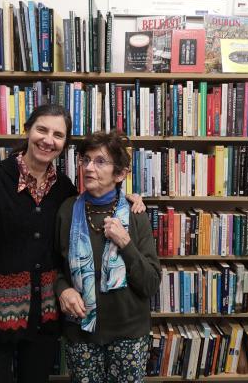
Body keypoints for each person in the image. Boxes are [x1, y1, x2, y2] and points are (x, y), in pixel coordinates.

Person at [0, 105, 144, 383]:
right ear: (28, 130)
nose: (48, 140)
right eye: (42, 129)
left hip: (44, 322)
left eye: (58, 134)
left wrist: (130, 199)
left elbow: (95, 205)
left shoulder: (64, 189)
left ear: (64, 144)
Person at [54, 130, 161, 383]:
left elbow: (150, 283)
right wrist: (62, 289)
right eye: (85, 160)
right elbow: (54, 266)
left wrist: (126, 243)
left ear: (120, 173)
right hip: (80, 332)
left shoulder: (136, 213)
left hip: (129, 334)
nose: (89, 168)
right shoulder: (67, 210)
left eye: (100, 161)